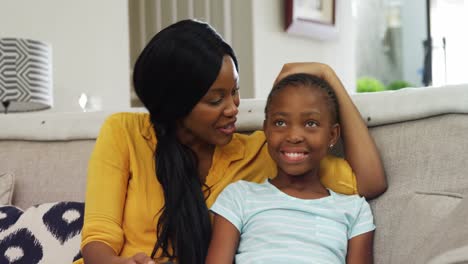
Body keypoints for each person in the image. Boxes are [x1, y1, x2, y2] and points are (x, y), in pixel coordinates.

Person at [76, 19, 386, 264]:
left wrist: (328, 76)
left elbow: (369, 181)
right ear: (175, 105)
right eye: (216, 100)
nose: (233, 108)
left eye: (235, 91)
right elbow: (99, 235)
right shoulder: (124, 132)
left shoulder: (261, 152)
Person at [206, 73, 375, 264]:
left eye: (311, 123)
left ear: (333, 135)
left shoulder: (354, 209)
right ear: (266, 130)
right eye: (280, 123)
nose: (294, 136)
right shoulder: (239, 196)